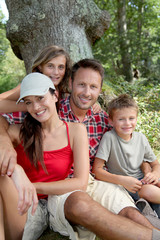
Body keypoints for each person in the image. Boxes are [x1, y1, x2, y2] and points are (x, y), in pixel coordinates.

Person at [0, 61, 160, 239]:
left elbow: (132, 144)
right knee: (80, 204)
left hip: (89, 182)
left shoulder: (101, 119)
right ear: (69, 85)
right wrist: (4, 141)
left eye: (93, 87)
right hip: (57, 193)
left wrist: (150, 171)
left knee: (130, 213)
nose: (87, 92)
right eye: (82, 85)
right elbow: (4, 117)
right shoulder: (35, 117)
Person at [92, 94, 160, 208]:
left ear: (137, 118)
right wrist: (121, 180)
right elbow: (97, 170)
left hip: (143, 178)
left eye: (131, 118)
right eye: (121, 119)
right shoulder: (109, 138)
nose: (127, 123)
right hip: (126, 185)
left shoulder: (141, 138)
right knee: (147, 191)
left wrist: (154, 174)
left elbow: (155, 164)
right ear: (111, 121)